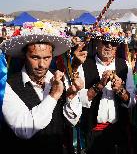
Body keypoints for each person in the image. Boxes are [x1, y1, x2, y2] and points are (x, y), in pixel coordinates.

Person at [0, 23, 89, 154]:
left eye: (47, 58)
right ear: (25, 56)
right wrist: (53, 96)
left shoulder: (59, 77)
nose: (41, 64)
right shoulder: (7, 86)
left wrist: (71, 96)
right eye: (35, 57)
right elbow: (24, 129)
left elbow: (72, 120)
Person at [76, 21, 136, 154]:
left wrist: (120, 90)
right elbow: (79, 100)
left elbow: (132, 101)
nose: (109, 46)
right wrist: (99, 85)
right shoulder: (84, 65)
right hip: (93, 132)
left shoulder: (125, 65)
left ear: (117, 46)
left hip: (118, 132)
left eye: (113, 43)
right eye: (105, 41)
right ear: (97, 42)